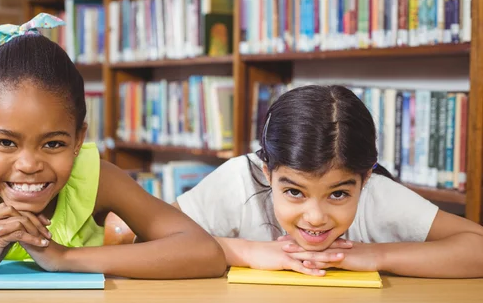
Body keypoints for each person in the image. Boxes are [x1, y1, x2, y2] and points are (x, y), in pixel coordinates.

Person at [0, 13, 226, 281]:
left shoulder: (97, 178)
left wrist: (63, 257)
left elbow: (202, 251)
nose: (29, 164)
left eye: (53, 143)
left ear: (79, 140)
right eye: (5, 142)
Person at [175, 84, 483, 278]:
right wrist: (243, 251)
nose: (316, 218)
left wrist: (377, 255)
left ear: (364, 180)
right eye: (294, 191)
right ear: (267, 173)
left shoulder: (378, 194)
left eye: (337, 195)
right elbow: (146, 238)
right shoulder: (239, 180)